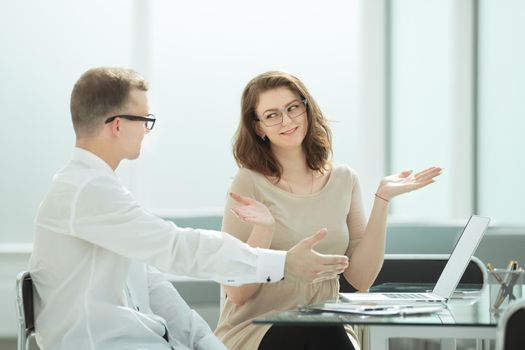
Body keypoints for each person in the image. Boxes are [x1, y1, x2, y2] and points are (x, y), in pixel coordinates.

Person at [28, 67, 350, 350]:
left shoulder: (98, 189)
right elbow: (178, 247)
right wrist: (283, 263)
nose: (146, 130)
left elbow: (153, 286)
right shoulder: (86, 192)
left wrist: (206, 342)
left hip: (148, 341)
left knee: (320, 334)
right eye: (145, 120)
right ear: (117, 126)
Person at [214, 70, 442, 350]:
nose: (287, 120)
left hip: (327, 328)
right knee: (320, 330)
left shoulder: (344, 180)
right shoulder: (249, 181)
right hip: (256, 330)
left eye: (293, 108)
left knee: (324, 328)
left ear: (306, 109)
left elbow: (360, 279)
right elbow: (237, 293)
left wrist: (382, 200)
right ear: (258, 127)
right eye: (272, 115)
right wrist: (264, 229)